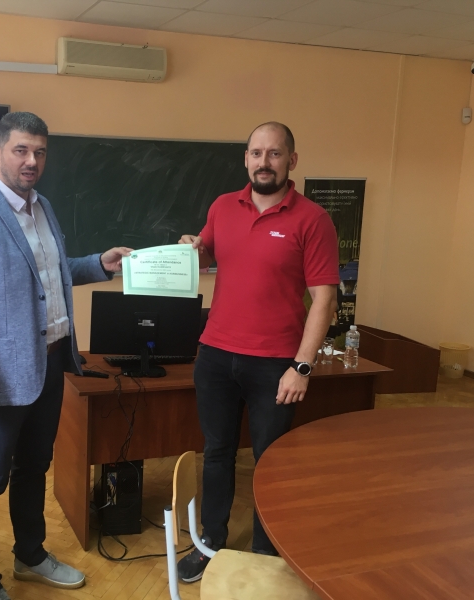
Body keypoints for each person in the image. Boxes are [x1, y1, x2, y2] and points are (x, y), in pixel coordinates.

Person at [0, 112, 131, 600]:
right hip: (2, 378)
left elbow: (49, 275)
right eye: (21, 150)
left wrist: (98, 264)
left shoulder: (42, 206)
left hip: (50, 365)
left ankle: (30, 555)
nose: (31, 161)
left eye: (40, 152)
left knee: (33, 469)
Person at [176, 122, 339, 582]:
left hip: (275, 365)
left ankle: (265, 555)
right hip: (215, 356)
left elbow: (324, 300)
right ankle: (210, 544)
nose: (263, 162)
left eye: (274, 153)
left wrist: (301, 367)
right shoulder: (223, 206)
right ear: (246, 159)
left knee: (271, 461)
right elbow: (206, 258)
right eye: (255, 153)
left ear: (291, 160)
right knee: (217, 454)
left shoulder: (313, 219)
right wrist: (192, 249)